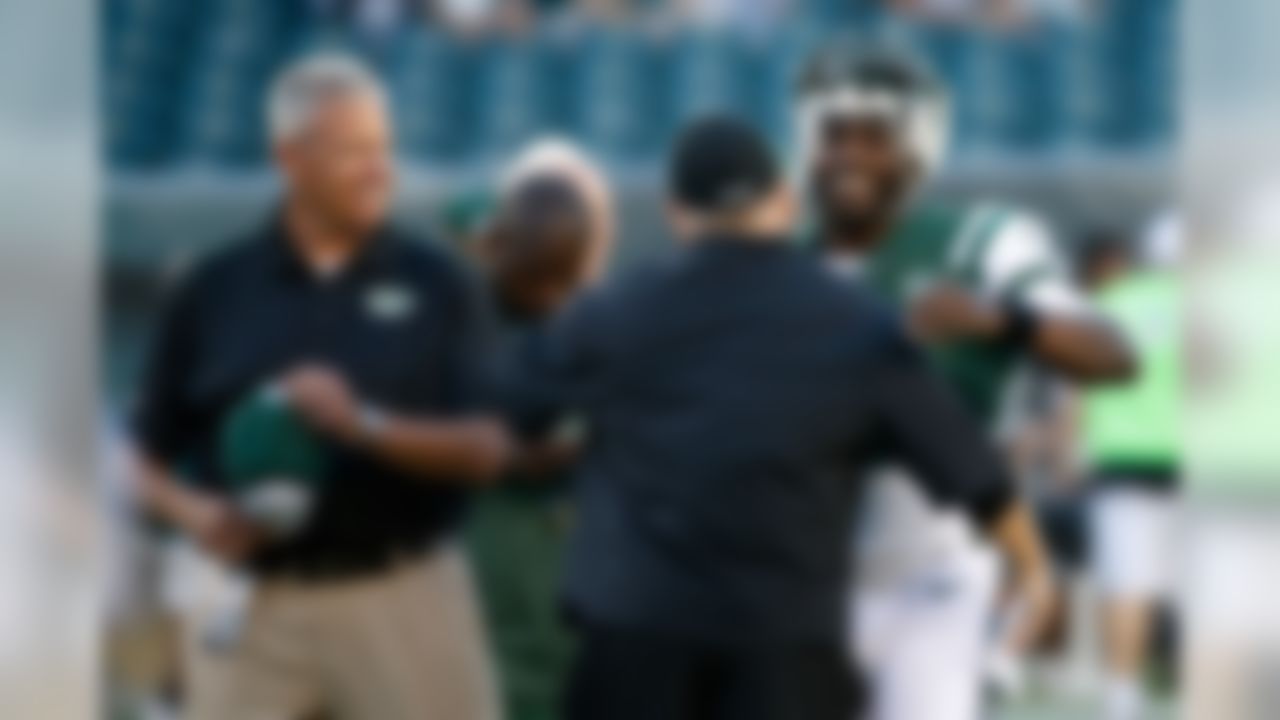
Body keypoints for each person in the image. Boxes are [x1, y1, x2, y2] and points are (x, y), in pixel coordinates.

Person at [530, 115, 1045, 720]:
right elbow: (965, 462)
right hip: (778, 654)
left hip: (634, 643)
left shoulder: (612, 312)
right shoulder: (850, 319)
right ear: (784, 204)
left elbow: (507, 417)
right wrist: (1032, 564)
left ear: (674, 212)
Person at [128, 53, 508, 720]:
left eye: (384, 149)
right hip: (249, 601)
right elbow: (139, 457)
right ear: (290, 158)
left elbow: (488, 447)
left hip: (401, 594)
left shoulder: (439, 281)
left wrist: (361, 421)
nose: (379, 170)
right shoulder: (213, 288)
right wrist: (196, 515)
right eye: (353, 152)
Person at [792, 40, 1135, 720]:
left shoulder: (979, 243)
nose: (849, 154)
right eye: (835, 135)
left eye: (873, 136)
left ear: (917, 146)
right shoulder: (779, 263)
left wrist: (999, 318)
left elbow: (1113, 356)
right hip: (804, 581)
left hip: (937, 578)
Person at [460, 139, 613, 720]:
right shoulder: (462, 320)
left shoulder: (628, 323)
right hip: (488, 596)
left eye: (578, 216)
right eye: (542, 211)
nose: (562, 230)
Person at [1081, 213, 1181, 720]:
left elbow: (1077, 383)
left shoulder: (1113, 303)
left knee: (1126, 584)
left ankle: (1122, 697)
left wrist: (1069, 447)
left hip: (1123, 459)